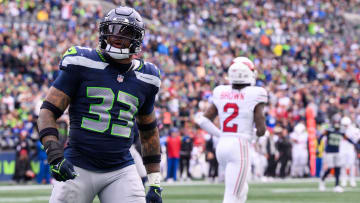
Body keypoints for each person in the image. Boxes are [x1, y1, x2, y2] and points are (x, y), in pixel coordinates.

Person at [37, 6, 162, 203]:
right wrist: (55, 155)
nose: (116, 37)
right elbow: (48, 112)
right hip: (77, 165)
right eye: (111, 31)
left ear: (137, 39)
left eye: (125, 32)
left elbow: (149, 132)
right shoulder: (81, 62)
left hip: (121, 169)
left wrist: (155, 181)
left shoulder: (147, 77)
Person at [195, 59, 267, 203]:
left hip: (223, 145)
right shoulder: (256, 93)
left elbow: (202, 120)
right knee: (232, 194)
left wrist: (222, 134)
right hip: (239, 145)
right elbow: (261, 128)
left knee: (241, 188)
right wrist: (256, 135)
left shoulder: (221, 91)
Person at [318, 120, 358, 193]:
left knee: (338, 168)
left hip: (337, 151)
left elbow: (347, 139)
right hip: (329, 152)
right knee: (330, 168)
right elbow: (320, 137)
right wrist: (318, 145)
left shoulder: (341, 131)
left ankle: (336, 185)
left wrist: (354, 144)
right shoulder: (329, 130)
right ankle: (322, 180)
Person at [339, 117, 360, 187]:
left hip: (350, 149)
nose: (345, 126)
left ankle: (352, 180)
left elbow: (356, 139)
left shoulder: (354, 130)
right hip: (342, 149)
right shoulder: (340, 130)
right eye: (344, 125)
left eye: (346, 125)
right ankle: (343, 180)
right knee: (343, 165)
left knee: (351, 165)